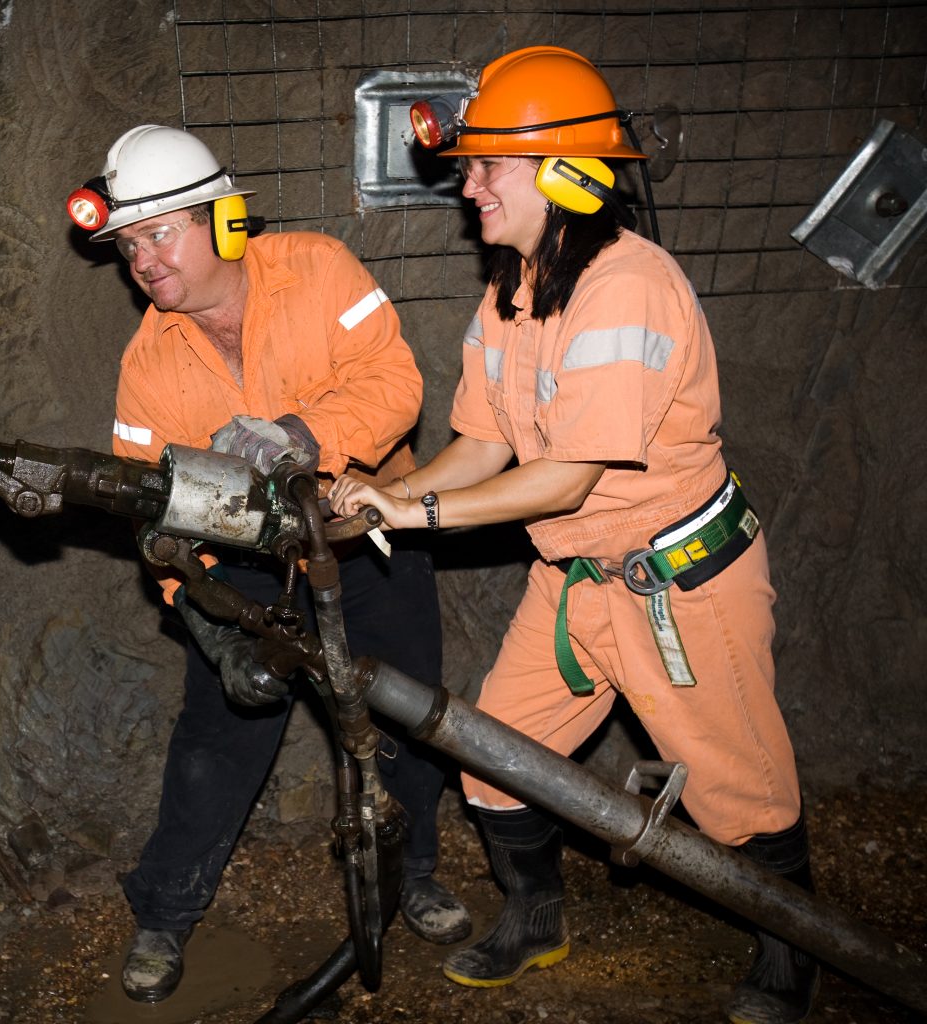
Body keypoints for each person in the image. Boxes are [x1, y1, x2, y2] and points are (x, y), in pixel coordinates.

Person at [329, 46, 816, 1024]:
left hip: (677, 584)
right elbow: (481, 442)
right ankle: (536, 915)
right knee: (495, 751)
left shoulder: (627, 285)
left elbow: (565, 474)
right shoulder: (511, 290)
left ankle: (792, 953)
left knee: (737, 791)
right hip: (576, 583)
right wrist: (384, 495)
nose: (467, 186)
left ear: (565, 173)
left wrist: (410, 510)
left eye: (486, 166)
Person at [65, 124, 472, 1003]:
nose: (142, 259)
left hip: (366, 530)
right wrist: (211, 631)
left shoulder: (320, 271)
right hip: (249, 566)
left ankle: (418, 875)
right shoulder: (149, 366)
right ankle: (164, 916)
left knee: (406, 710)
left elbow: (395, 381)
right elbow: (155, 523)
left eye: (158, 233)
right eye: (129, 244)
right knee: (217, 734)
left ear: (224, 221)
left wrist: (300, 436)